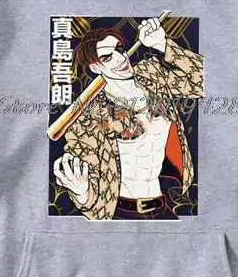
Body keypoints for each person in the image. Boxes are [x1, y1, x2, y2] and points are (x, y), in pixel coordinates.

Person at [53, 16, 203, 220]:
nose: (120, 59)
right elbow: (90, 188)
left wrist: (162, 43)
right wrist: (81, 193)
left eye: (120, 49)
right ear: (95, 68)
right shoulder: (89, 118)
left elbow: (203, 81)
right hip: (121, 214)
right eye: (107, 57)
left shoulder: (151, 75)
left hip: (161, 206)